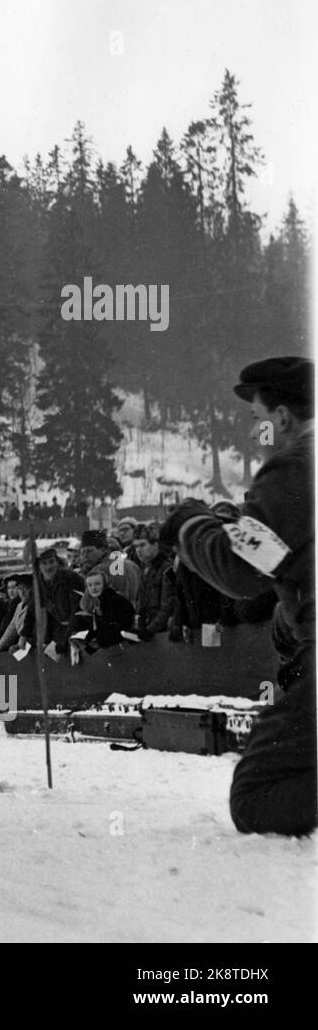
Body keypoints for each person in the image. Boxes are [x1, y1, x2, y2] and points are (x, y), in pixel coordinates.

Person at [168, 357, 314, 836]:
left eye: (258, 420)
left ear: (284, 418)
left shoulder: (297, 466)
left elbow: (243, 569)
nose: (256, 434)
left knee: (256, 795)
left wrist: (190, 524)